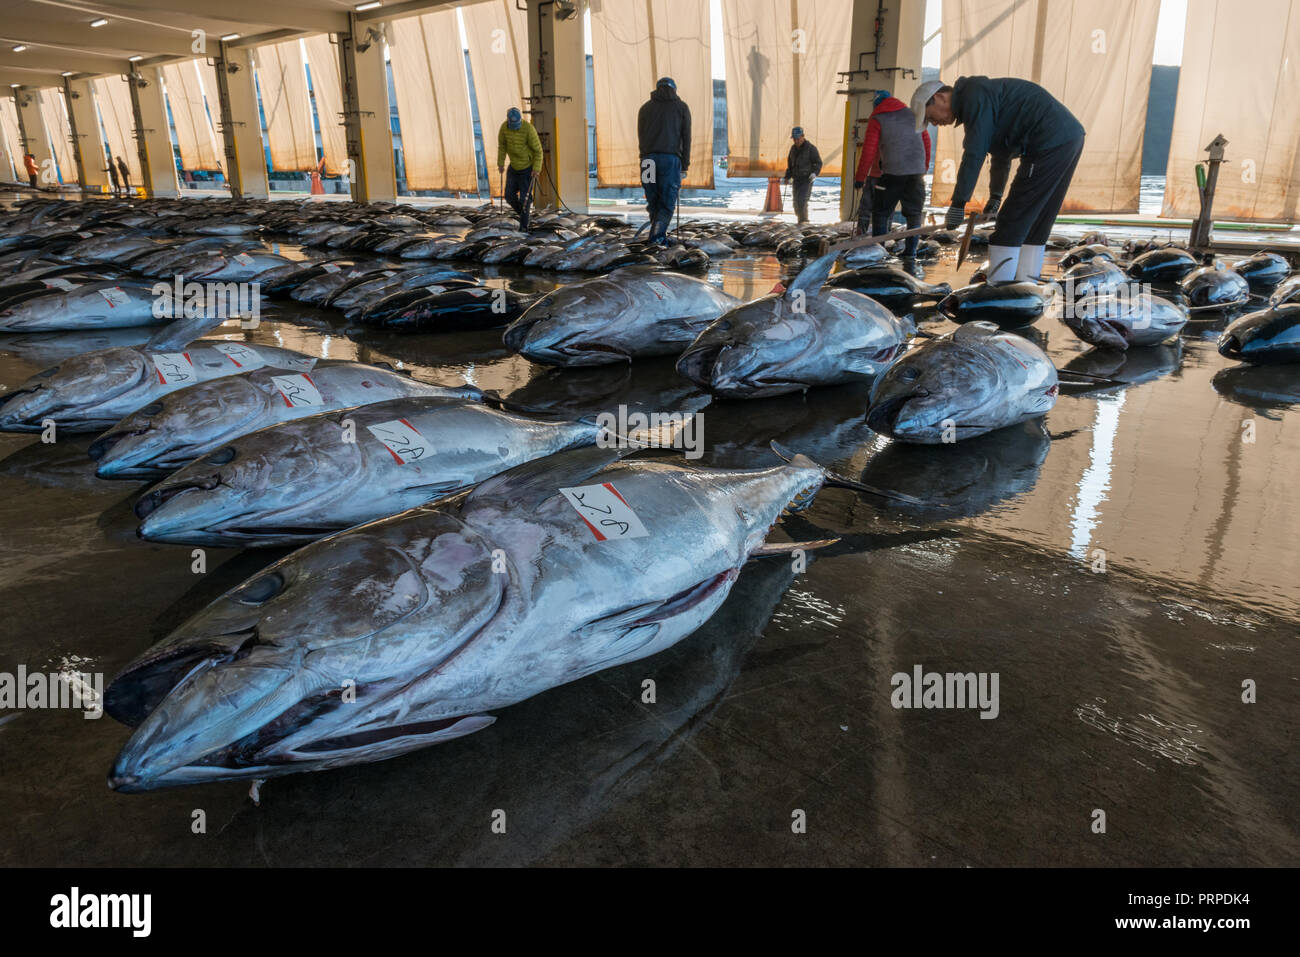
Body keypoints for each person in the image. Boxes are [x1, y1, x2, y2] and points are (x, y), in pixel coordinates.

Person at [913, 76, 1085, 283]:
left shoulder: (974, 96)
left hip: (1048, 141)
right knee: (1037, 220)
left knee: (1011, 221)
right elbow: (1001, 155)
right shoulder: (980, 99)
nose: (934, 123)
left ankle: (998, 287)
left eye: (929, 117)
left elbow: (974, 154)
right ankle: (1025, 287)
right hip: (1068, 138)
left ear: (939, 97)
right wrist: (996, 195)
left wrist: (958, 204)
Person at [853, 89, 931, 256]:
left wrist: (860, 178)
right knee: (914, 215)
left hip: (892, 173)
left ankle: (878, 253)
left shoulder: (877, 118)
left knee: (880, 213)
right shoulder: (913, 114)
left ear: (877, 104)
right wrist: (923, 168)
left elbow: (869, 150)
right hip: (916, 173)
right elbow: (926, 141)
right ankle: (911, 254)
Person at [637, 77, 691, 244]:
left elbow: (640, 136)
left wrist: (644, 156)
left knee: (653, 201)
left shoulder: (644, 108)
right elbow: (686, 138)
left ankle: (657, 236)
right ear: (674, 89)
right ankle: (657, 239)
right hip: (669, 160)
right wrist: (685, 165)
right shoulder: (681, 108)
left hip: (647, 161)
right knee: (667, 203)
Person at [497, 107, 543, 232]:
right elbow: (502, 146)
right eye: (512, 125)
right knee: (508, 196)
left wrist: (536, 168)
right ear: (508, 121)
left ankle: (524, 227)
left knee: (524, 199)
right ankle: (524, 216)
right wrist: (500, 163)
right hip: (513, 167)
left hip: (527, 168)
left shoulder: (528, 129)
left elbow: (538, 151)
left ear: (520, 121)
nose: (515, 127)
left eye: (517, 125)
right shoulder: (504, 128)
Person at [783, 127, 821, 224]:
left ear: (803, 136)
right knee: (796, 203)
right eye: (794, 139)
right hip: (796, 179)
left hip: (806, 179)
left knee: (802, 201)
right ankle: (800, 220)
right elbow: (790, 165)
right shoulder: (793, 149)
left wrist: (814, 173)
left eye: (798, 138)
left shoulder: (811, 149)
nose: (796, 141)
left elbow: (818, 163)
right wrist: (787, 176)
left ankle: (804, 222)